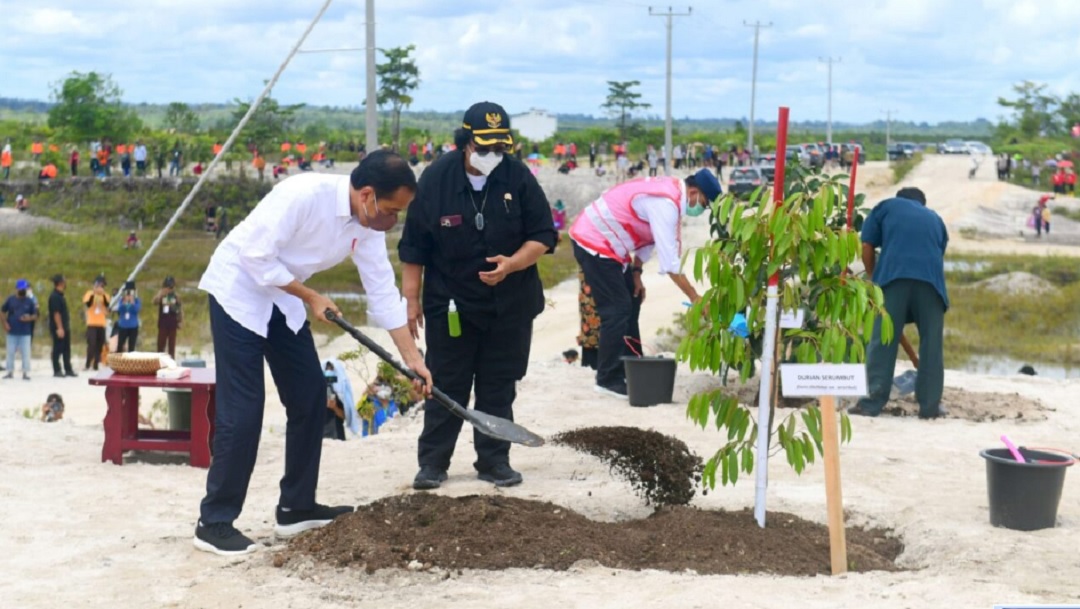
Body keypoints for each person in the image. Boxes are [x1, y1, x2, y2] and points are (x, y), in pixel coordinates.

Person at [193, 150, 432, 556]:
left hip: (281, 299)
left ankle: (296, 506)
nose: (393, 221)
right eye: (391, 210)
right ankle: (214, 521)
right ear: (368, 194)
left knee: (308, 396)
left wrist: (413, 360)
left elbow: (381, 291)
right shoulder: (303, 194)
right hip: (238, 291)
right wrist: (309, 295)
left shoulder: (368, 225)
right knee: (244, 407)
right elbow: (254, 256)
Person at [399, 101, 557, 491]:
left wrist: (512, 264)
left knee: (498, 384)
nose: (492, 157)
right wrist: (412, 301)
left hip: (510, 304)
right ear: (465, 142)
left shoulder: (518, 178)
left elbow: (543, 236)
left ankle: (494, 460)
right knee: (446, 383)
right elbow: (413, 247)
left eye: (499, 149)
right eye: (484, 149)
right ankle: (433, 463)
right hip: (451, 304)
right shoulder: (435, 180)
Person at [569, 168, 722, 397]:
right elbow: (670, 262)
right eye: (704, 202)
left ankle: (632, 364)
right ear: (693, 192)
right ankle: (607, 378)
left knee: (632, 296)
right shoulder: (666, 203)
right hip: (594, 241)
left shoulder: (672, 197)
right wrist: (695, 298)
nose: (701, 208)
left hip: (611, 246)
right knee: (617, 309)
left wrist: (637, 272)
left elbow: (648, 237)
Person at [850, 187, 948, 420]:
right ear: (922, 203)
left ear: (900, 198)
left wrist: (874, 277)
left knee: (883, 340)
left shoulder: (886, 207)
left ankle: (871, 403)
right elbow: (936, 252)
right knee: (932, 345)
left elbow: (866, 245)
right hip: (932, 285)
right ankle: (930, 407)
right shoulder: (936, 219)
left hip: (893, 278)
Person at [3, 279, 38, 380]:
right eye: (21, 289)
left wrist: (29, 318)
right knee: (10, 352)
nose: (23, 290)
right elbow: (2, 311)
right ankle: (10, 371)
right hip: (12, 331)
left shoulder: (30, 301)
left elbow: (35, 315)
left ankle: (25, 372)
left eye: (24, 289)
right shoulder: (10, 300)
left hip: (25, 332)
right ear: (16, 289)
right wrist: (5, 323)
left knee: (26, 353)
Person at [48, 274, 76, 378]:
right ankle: (57, 369)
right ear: (60, 283)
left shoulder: (60, 295)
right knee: (57, 348)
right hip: (59, 327)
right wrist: (59, 328)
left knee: (66, 349)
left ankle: (68, 368)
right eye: (64, 281)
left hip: (65, 326)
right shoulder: (54, 296)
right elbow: (56, 313)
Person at [83, 276, 110, 371]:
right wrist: (94, 293)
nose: (101, 288)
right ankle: (87, 363)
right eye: (100, 285)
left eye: (102, 286)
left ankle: (96, 364)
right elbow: (88, 304)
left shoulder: (105, 295)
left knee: (100, 344)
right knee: (91, 344)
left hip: (101, 323)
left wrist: (102, 295)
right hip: (92, 323)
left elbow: (107, 305)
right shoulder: (89, 294)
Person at [153, 276, 183, 358]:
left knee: (171, 345)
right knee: (160, 344)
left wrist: (180, 321)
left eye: (170, 287)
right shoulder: (161, 295)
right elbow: (154, 302)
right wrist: (160, 294)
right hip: (163, 323)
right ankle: (159, 360)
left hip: (172, 323)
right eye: (167, 287)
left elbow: (179, 309)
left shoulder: (176, 296)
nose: (169, 289)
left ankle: (171, 361)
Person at [115, 282, 141, 353]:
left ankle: (130, 362)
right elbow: (119, 310)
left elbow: (137, 310)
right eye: (128, 292)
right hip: (123, 325)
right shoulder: (122, 300)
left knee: (131, 346)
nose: (129, 294)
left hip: (133, 326)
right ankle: (119, 361)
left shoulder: (137, 300)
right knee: (120, 345)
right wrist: (124, 302)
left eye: (131, 292)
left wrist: (132, 303)